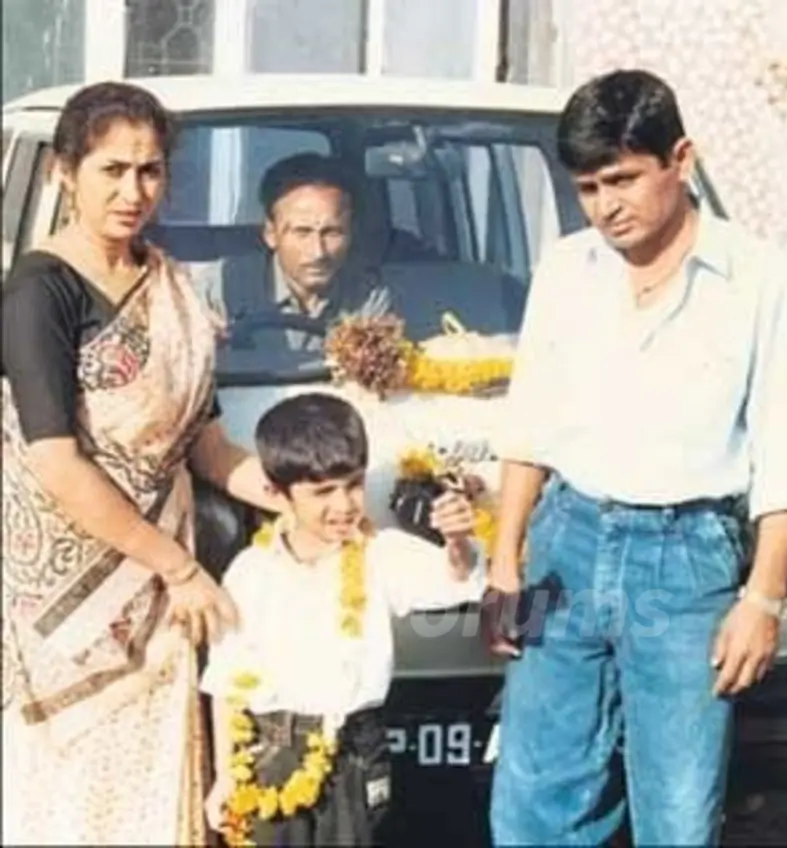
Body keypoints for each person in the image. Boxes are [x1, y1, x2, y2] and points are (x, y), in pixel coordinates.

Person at [482, 69, 787, 846]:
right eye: (588, 187)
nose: (605, 207)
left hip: (688, 564)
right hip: (566, 544)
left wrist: (761, 600)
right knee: (535, 801)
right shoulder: (567, 268)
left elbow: (786, 447)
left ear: (680, 159)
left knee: (679, 813)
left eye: (622, 179)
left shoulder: (763, 280)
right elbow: (532, 420)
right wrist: (503, 563)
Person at [1, 81, 278, 845]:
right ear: (66, 172)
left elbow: (207, 444)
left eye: (150, 171)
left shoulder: (171, 285)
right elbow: (55, 460)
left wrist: (292, 496)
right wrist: (178, 568)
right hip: (66, 607)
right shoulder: (38, 290)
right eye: (111, 170)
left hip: (161, 600)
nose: (133, 191)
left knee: (156, 794)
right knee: (70, 800)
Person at [201, 392, 484, 846]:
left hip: (353, 756)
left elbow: (456, 578)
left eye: (353, 484)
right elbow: (225, 679)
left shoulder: (377, 554)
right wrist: (225, 777)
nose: (346, 505)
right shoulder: (252, 571)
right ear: (277, 492)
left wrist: (457, 543)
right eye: (323, 492)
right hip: (268, 754)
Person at [222, 153, 391, 351]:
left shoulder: (367, 298)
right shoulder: (217, 288)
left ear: (351, 233)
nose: (318, 252)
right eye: (302, 232)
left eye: (332, 232)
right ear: (271, 234)